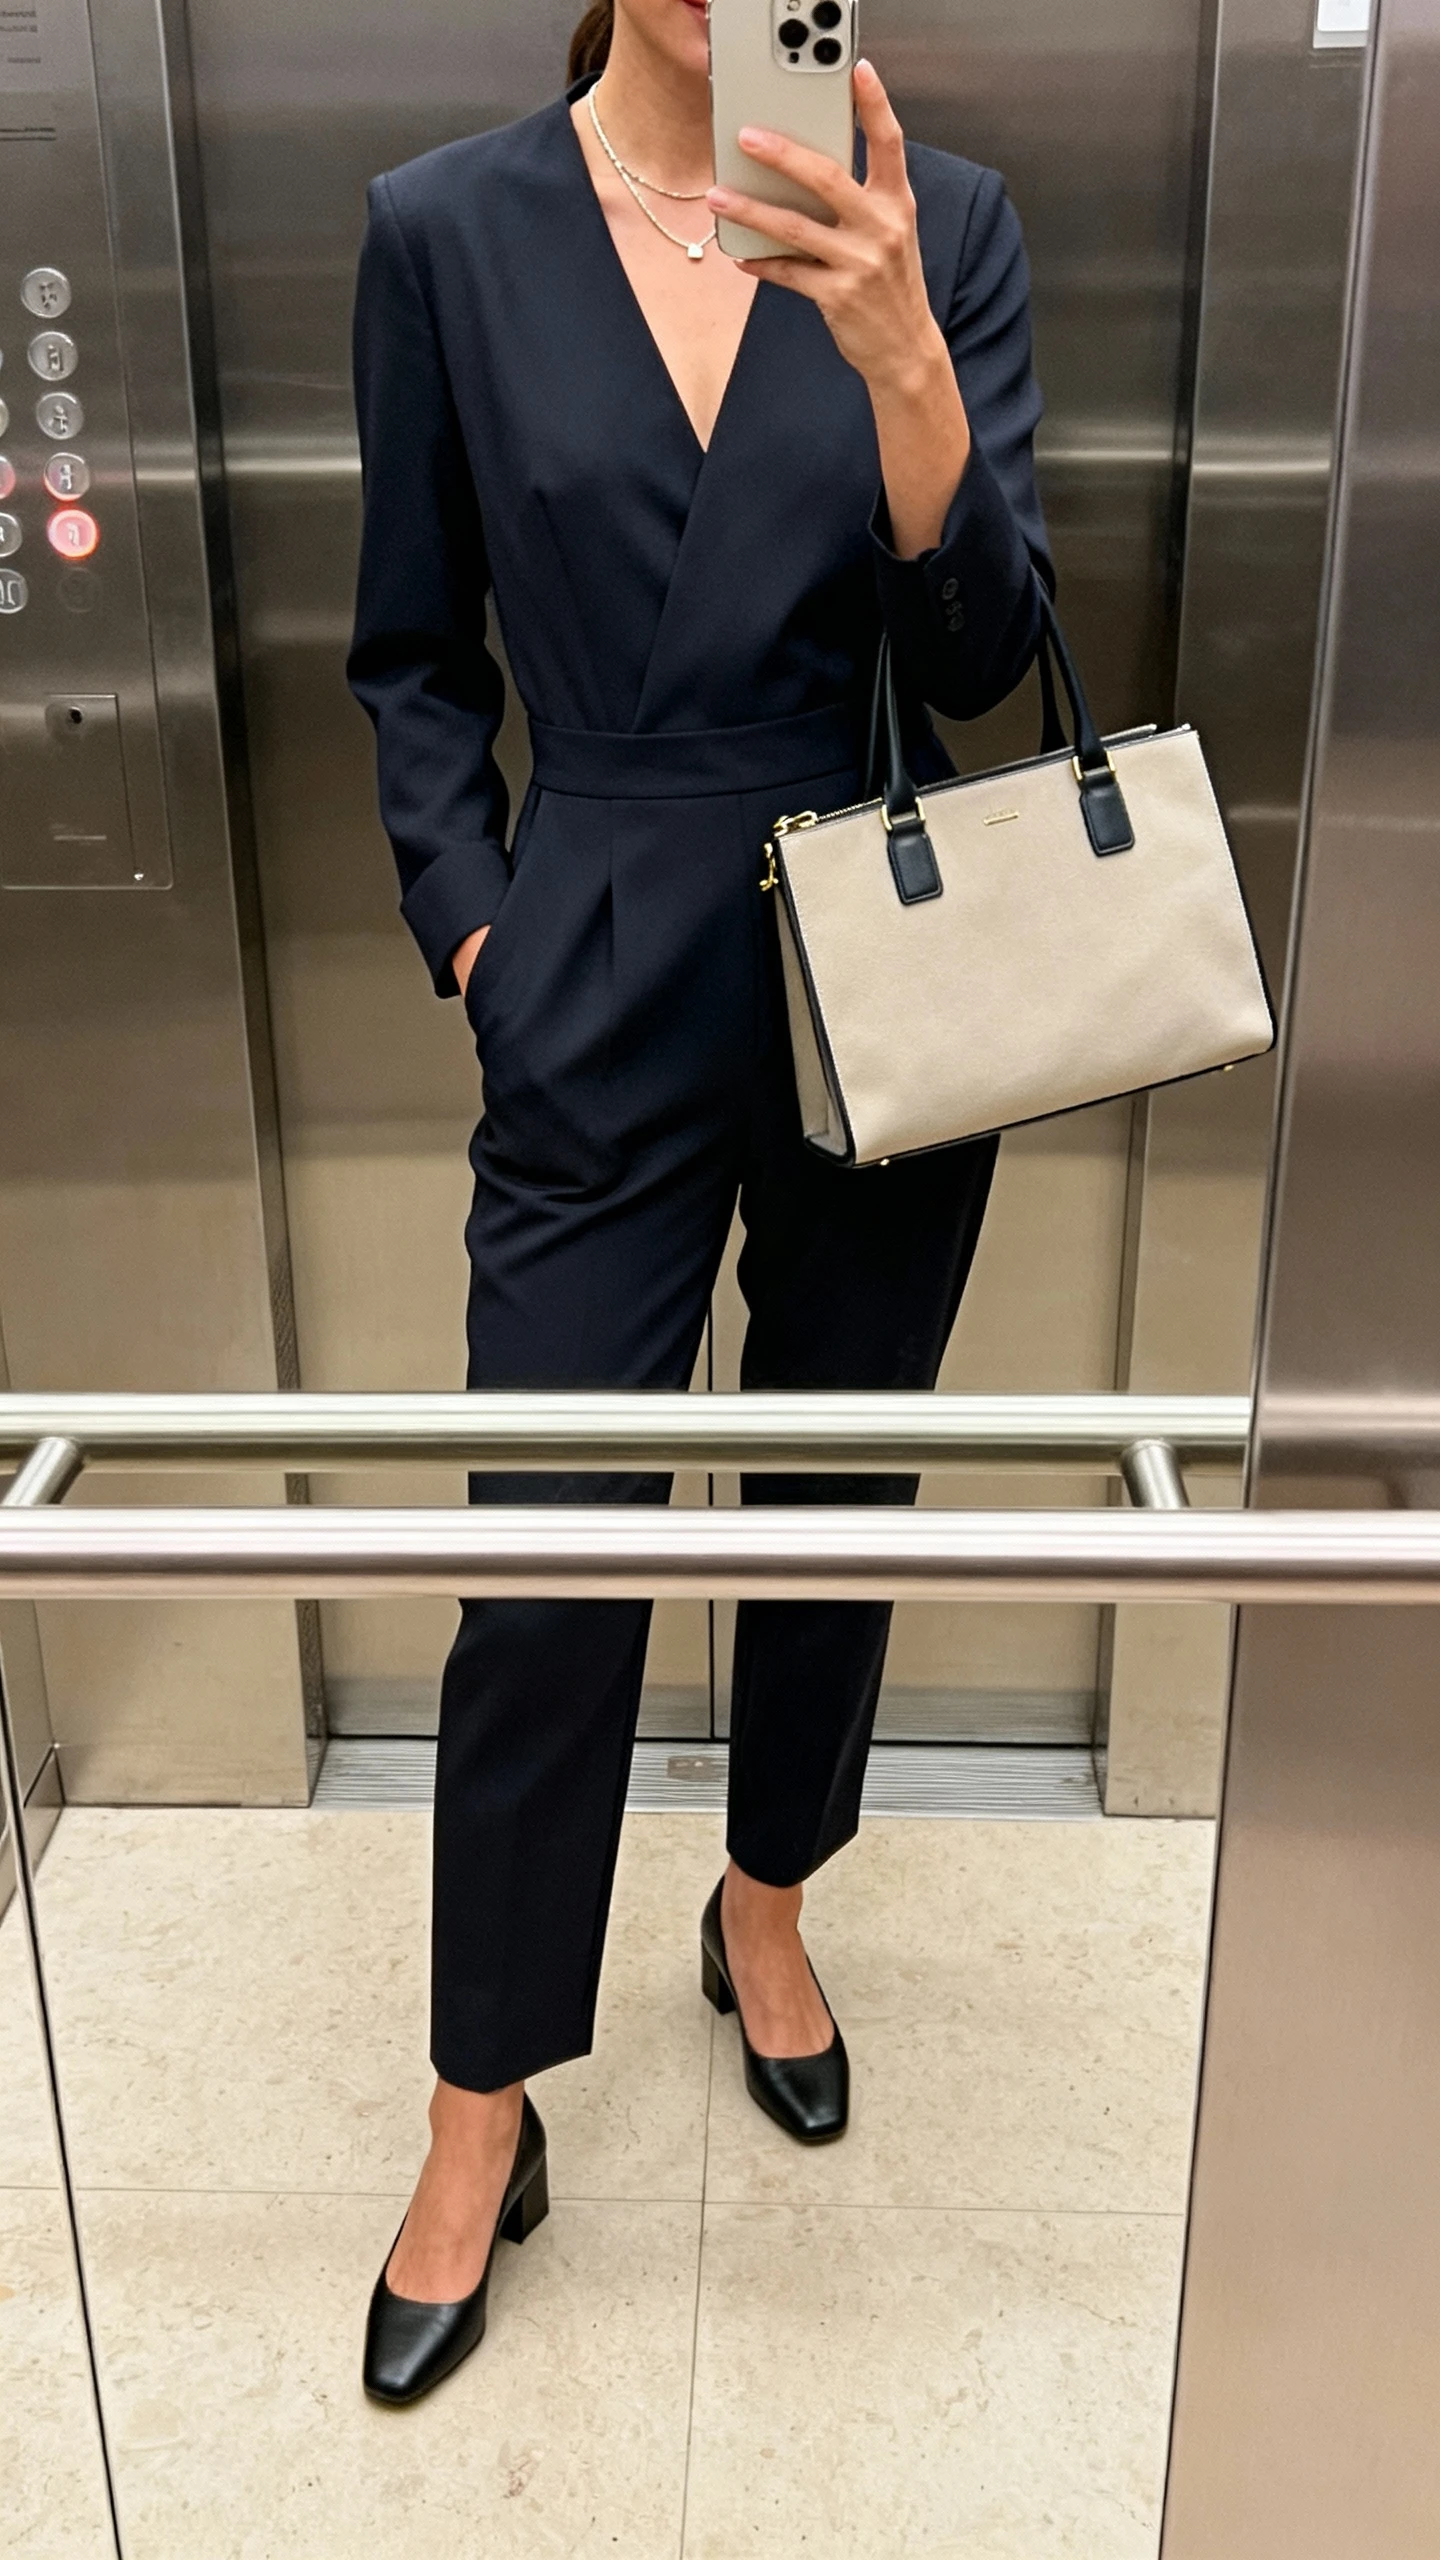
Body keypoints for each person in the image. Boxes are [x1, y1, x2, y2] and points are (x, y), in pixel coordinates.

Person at [348, 0, 1049, 2406]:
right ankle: (478, 2097)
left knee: (839, 1481)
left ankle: (764, 1897)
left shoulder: (935, 222)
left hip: (875, 962)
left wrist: (903, 370)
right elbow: (408, 659)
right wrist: (481, 928)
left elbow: (976, 664)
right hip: (596, 949)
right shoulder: (447, 232)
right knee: (544, 1542)